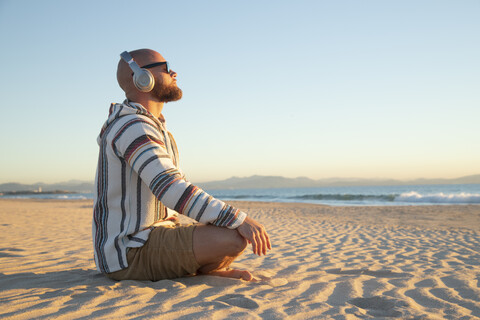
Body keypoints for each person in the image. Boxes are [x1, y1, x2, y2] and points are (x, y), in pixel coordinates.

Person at [92, 48, 271, 282]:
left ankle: (202, 269)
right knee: (234, 237)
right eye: (165, 68)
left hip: (153, 237)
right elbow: (171, 188)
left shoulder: (152, 127)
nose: (174, 72)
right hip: (130, 251)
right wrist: (239, 218)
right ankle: (202, 270)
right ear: (141, 78)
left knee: (229, 232)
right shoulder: (133, 126)